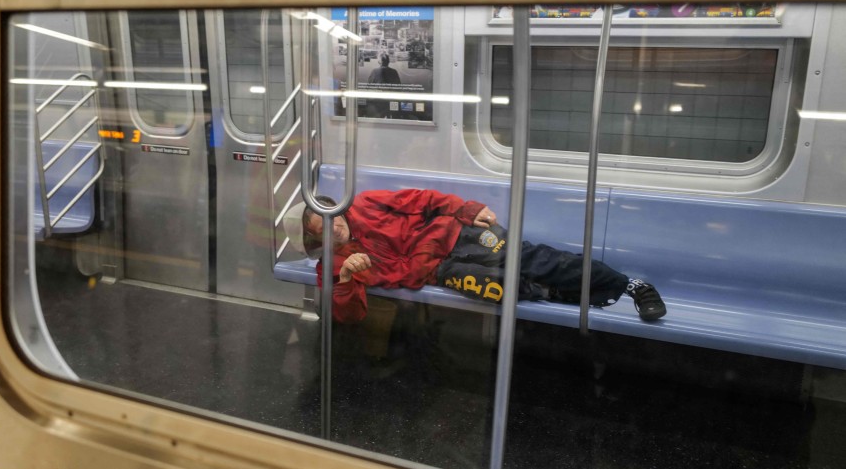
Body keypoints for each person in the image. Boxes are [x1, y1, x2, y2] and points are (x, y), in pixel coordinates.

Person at [282, 189, 666, 325]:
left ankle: (630, 286)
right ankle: (577, 296)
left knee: (531, 259)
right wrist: (348, 279)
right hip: (439, 270)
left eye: (332, 218)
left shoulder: (366, 203)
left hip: (456, 232)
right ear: (317, 243)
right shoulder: (333, 267)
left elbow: (425, 199)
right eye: (323, 231)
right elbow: (348, 315)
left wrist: (466, 210)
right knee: (500, 287)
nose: (336, 228)